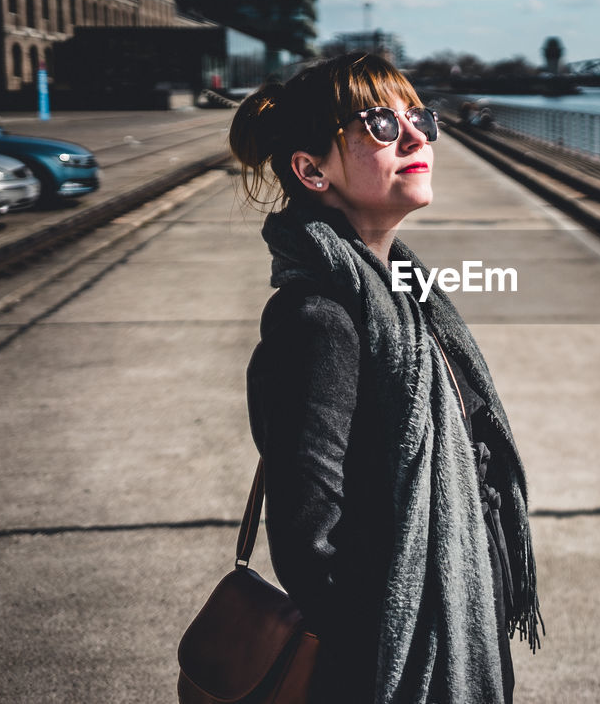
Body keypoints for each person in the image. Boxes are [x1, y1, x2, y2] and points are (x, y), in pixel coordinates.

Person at [227, 53, 541, 703]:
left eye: (416, 116)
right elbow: (311, 546)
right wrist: (397, 654)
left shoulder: (403, 297)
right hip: (403, 674)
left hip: (454, 642)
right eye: (377, 123)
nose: (415, 134)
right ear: (311, 169)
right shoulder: (322, 321)